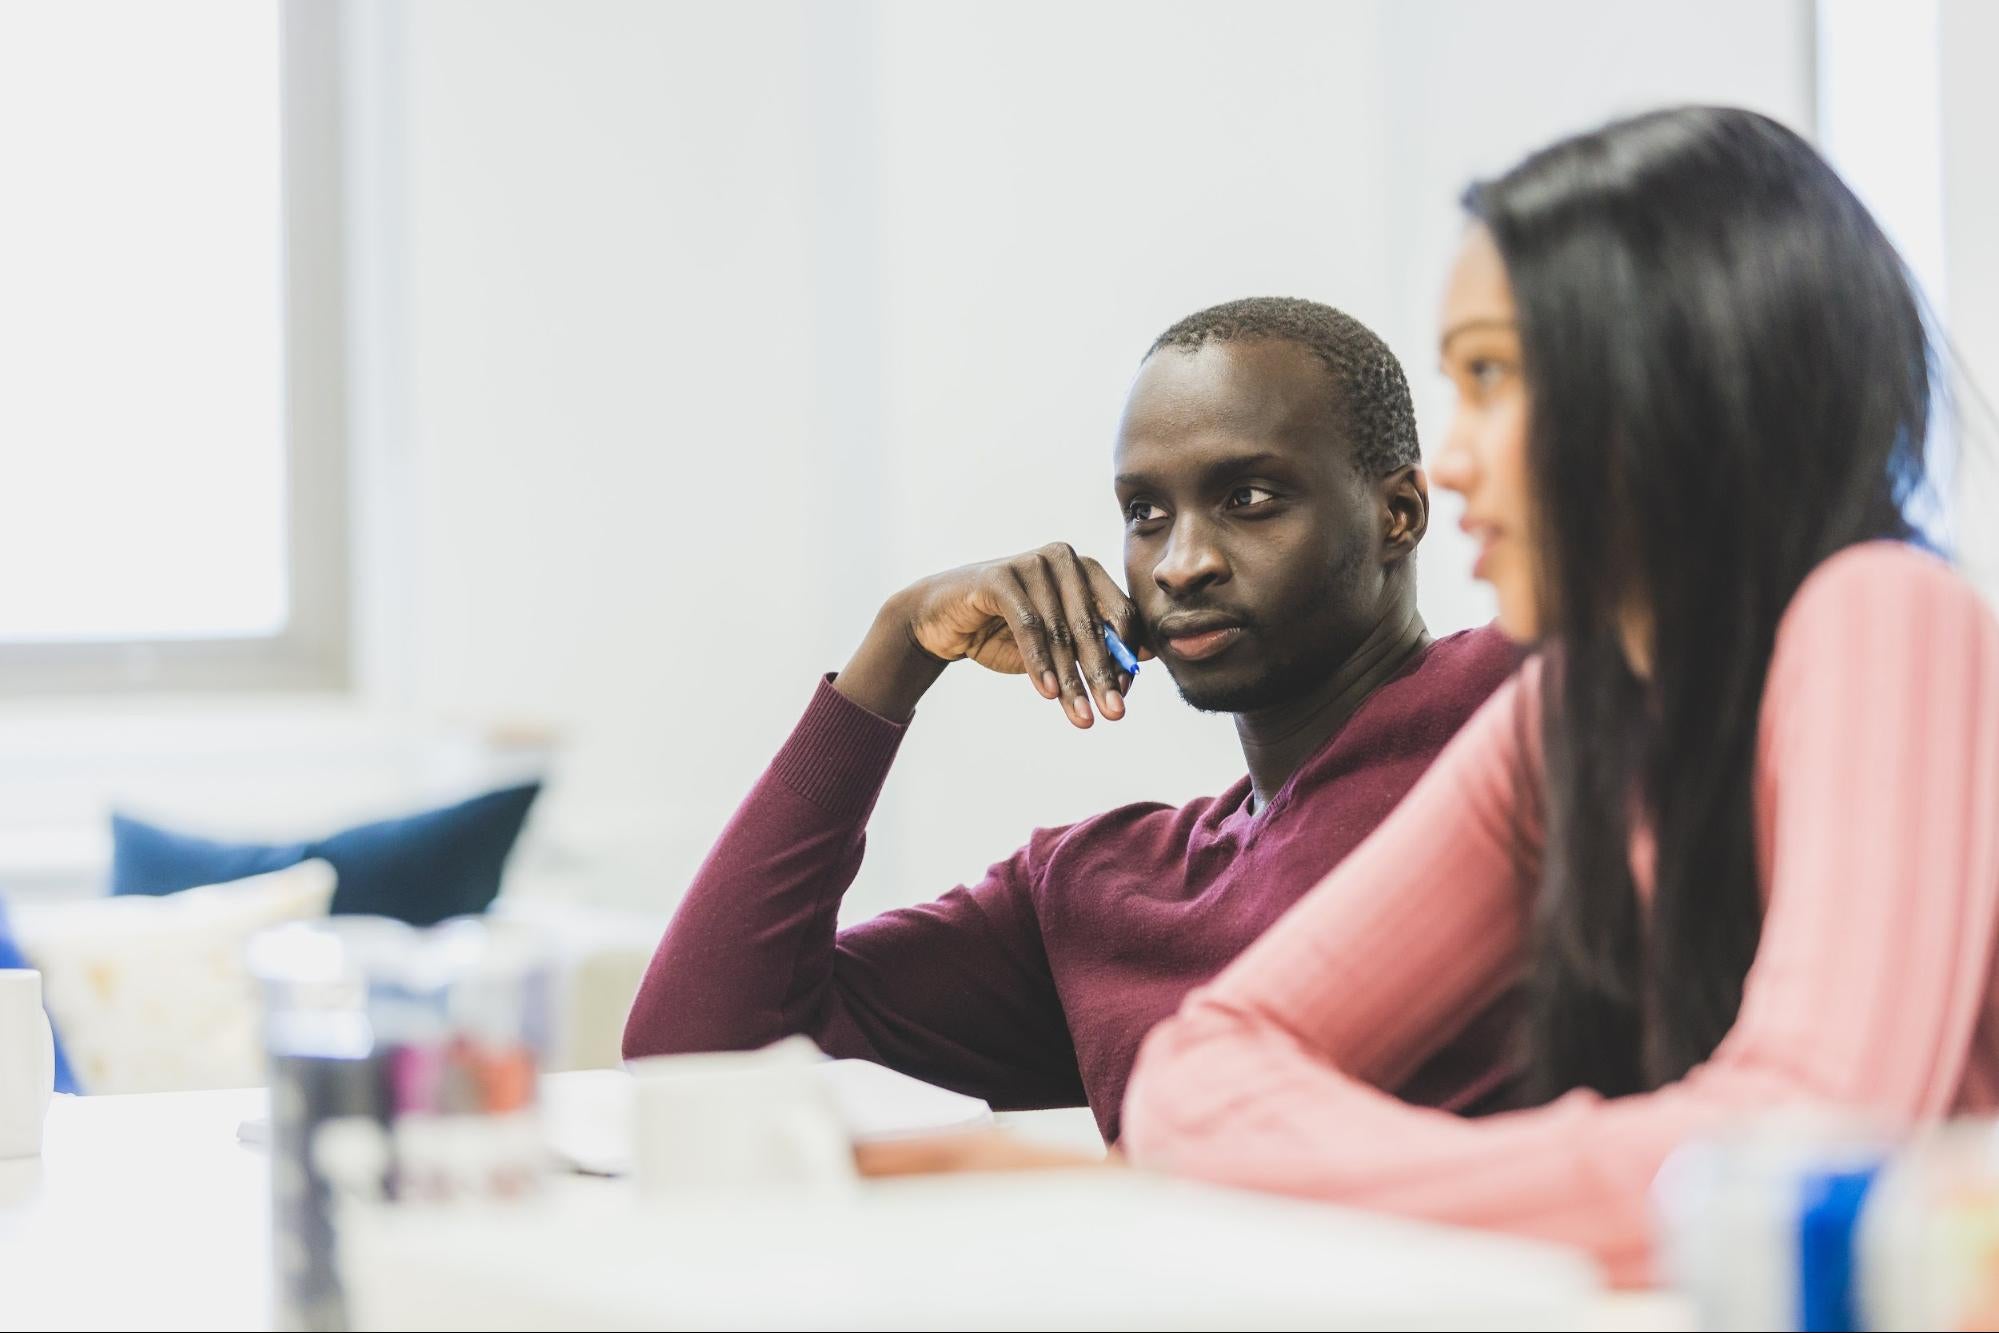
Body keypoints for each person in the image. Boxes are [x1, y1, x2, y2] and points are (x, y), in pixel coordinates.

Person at [1119, 107, 1999, 1282]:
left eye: (1492, 376)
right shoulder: (1570, 710)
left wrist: (1311, 1175)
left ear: (1682, 372)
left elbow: (1803, 1143)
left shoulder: (1883, 610)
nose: (1450, 461)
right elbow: (1198, 1068)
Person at [623, 297, 1520, 1142]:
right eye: (1146, 513)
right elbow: (694, 1063)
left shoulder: (1525, 699)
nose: (1181, 563)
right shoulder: (1100, 890)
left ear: (1397, 514)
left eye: (1248, 498)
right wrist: (894, 654)